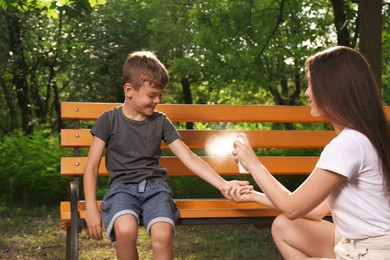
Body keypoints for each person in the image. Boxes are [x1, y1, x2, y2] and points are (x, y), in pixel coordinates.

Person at [83, 51, 250, 260]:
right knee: (125, 231)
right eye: (152, 95)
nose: (157, 100)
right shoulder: (108, 121)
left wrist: (223, 185)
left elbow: (189, 158)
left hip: (156, 190)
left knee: (162, 236)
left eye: (160, 95)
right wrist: (91, 208)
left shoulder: (161, 121)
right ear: (129, 90)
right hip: (121, 191)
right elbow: (91, 167)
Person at [228, 46, 390, 259]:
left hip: (369, 252)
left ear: (333, 90)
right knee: (285, 226)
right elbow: (311, 210)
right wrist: (254, 196)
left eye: (312, 85)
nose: (307, 92)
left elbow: (292, 207)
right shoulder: (369, 135)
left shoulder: (348, 144)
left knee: (288, 219)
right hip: (370, 245)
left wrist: (254, 165)